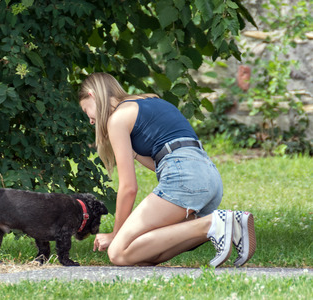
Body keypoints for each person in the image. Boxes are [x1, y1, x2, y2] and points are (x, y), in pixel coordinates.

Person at [78, 72, 256, 267]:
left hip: (185, 178)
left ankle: (212, 223)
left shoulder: (117, 118)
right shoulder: (151, 101)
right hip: (208, 176)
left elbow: (128, 188)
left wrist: (115, 234)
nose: (91, 121)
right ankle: (228, 223)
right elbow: (162, 161)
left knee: (118, 252)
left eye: (87, 112)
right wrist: (132, 152)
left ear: (92, 95)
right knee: (147, 255)